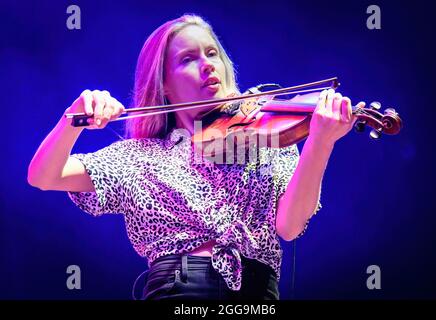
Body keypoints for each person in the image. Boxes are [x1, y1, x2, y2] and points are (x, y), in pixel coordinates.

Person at [27, 14, 363, 300]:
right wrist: (73, 118)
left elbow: (289, 226)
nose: (207, 65)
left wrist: (320, 141)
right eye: (188, 59)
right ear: (165, 85)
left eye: (212, 53)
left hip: (256, 295)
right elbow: (43, 176)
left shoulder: (265, 137)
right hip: (179, 290)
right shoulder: (140, 157)